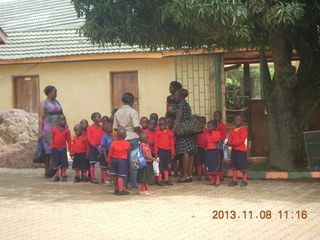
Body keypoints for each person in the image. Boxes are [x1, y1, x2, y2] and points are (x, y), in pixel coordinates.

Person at [113, 92, 141, 189]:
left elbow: (115, 128)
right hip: (133, 138)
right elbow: (136, 125)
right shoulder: (133, 112)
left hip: (122, 140)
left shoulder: (117, 112)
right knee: (134, 162)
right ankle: (134, 183)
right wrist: (141, 132)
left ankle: (123, 183)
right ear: (132, 102)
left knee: (123, 162)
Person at [38, 85, 64, 178]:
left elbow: (62, 115)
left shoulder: (57, 102)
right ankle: (47, 171)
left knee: (58, 149)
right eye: (54, 92)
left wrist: (66, 127)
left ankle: (56, 171)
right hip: (48, 130)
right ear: (49, 93)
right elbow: (41, 118)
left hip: (58, 129)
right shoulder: (43, 103)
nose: (56, 94)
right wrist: (40, 132)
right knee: (48, 151)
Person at [172, 88, 197, 183]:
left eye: (177, 94)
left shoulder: (181, 105)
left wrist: (174, 130)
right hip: (190, 131)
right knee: (190, 153)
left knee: (185, 152)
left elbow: (178, 118)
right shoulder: (187, 105)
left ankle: (185, 175)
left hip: (183, 131)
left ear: (181, 96)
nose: (175, 96)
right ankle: (189, 174)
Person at [108, 127, 131, 195]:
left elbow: (110, 154)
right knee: (121, 176)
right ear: (125, 136)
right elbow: (129, 153)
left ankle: (116, 189)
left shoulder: (113, 143)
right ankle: (121, 190)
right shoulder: (127, 143)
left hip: (114, 160)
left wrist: (109, 161)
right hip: (122, 160)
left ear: (117, 136)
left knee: (114, 175)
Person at [226, 114, 248, 187]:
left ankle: (244, 180)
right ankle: (234, 180)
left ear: (242, 121)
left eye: (239, 120)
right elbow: (230, 139)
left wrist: (232, 143)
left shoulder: (243, 130)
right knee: (234, 166)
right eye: (235, 120)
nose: (237, 121)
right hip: (234, 151)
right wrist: (228, 145)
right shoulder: (232, 131)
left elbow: (241, 140)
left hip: (241, 150)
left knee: (243, 166)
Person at [50, 115, 72, 182]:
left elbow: (69, 140)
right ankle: (57, 176)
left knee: (64, 162)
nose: (63, 121)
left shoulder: (67, 130)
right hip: (55, 149)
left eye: (64, 120)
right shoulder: (55, 129)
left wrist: (70, 149)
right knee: (56, 162)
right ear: (58, 121)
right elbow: (53, 138)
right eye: (61, 120)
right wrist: (51, 146)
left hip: (63, 149)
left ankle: (64, 175)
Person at [154, 117, 174, 186]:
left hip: (167, 151)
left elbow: (172, 142)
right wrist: (156, 152)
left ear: (166, 124)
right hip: (160, 151)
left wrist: (172, 152)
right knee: (160, 166)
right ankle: (159, 180)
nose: (161, 126)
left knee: (167, 166)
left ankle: (166, 179)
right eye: (160, 125)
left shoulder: (169, 132)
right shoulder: (157, 133)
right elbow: (156, 143)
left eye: (163, 125)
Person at [87, 112, 104, 184]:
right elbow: (89, 138)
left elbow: (103, 137)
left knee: (102, 163)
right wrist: (95, 146)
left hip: (101, 147)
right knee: (92, 162)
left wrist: (101, 146)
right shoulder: (90, 128)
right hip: (93, 147)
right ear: (93, 119)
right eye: (98, 117)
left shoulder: (102, 127)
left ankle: (104, 178)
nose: (100, 118)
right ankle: (92, 178)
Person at [205, 121, 222, 186]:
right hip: (209, 151)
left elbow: (215, 140)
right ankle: (212, 180)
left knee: (216, 166)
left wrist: (212, 133)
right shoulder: (208, 134)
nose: (208, 128)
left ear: (214, 127)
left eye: (209, 126)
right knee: (210, 165)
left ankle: (217, 180)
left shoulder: (217, 133)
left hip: (215, 151)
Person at [214, 111, 227, 180]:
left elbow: (224, 135)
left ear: (221, 117)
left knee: (221, 160)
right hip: (213, 145)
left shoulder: (222, 125)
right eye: (215, 116)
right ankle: (216, 174)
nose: (216, 117)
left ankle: (221, 175)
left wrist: (220, 142)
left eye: (217, 116)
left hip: (220, 144)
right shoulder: (213, 125)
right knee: (215, 160)